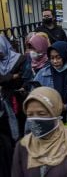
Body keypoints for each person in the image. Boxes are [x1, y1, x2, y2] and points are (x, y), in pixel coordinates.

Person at [11, 87, 67, 177]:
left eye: (41, 114)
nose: (35, 119)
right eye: (30, 115)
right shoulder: (23, 146)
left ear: (55, 113)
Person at [0, 35, 32, 177]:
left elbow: (24, 78)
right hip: (5, 100)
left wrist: (8, 80)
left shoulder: (20, 59)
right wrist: (11, 77)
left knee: (22, 123)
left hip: (20, 98)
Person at [34, 41, 67, 116]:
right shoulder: (43, 74)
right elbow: (34, 94)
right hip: (50, 116)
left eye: (58, 57)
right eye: (52, 58)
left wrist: (66, 107)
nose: (55, 61)